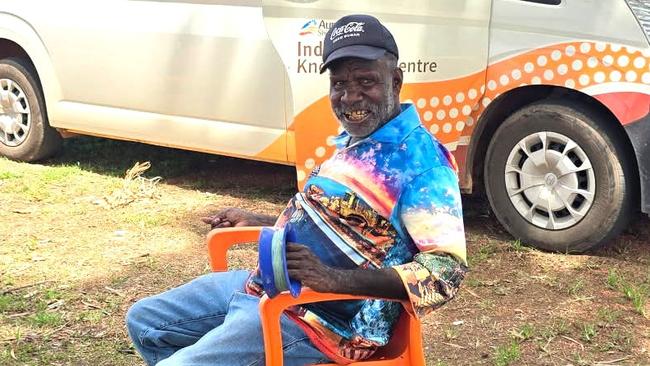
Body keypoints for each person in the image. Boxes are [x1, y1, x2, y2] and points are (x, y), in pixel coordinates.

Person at [126, 14, 467, 366]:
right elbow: (345, 225)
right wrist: (258, 219)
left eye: (366, 81)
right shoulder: (362, 139)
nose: (350, 98)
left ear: (395, 81)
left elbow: (446, 274)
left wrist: (333, 278)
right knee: (144, 322)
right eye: (339, 84)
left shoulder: (422, 166)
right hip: (264, 287)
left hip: (318, 323)